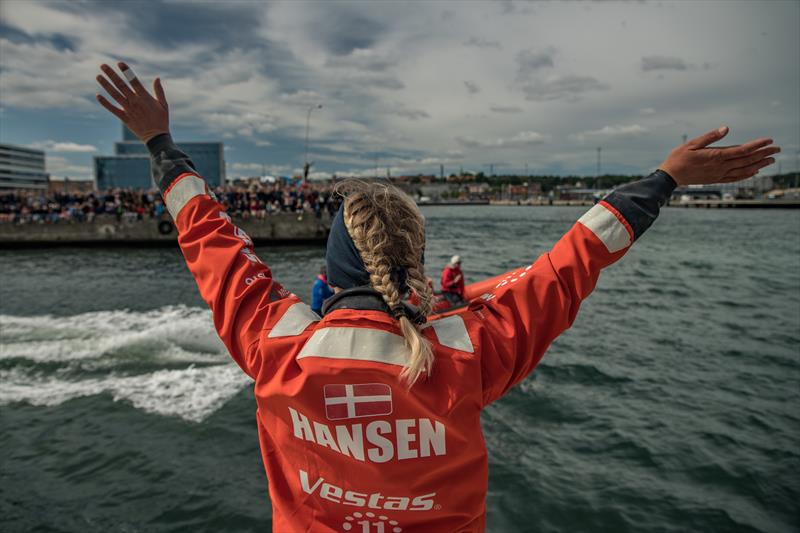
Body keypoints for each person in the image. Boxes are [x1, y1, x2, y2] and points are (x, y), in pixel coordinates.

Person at [95, 62, 779, 532]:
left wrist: (159, 142)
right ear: (415, 276)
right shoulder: (467, 351)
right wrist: (665, 178)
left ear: (327, 282)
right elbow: (573, 259)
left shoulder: (278, 346)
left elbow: (208, 235)